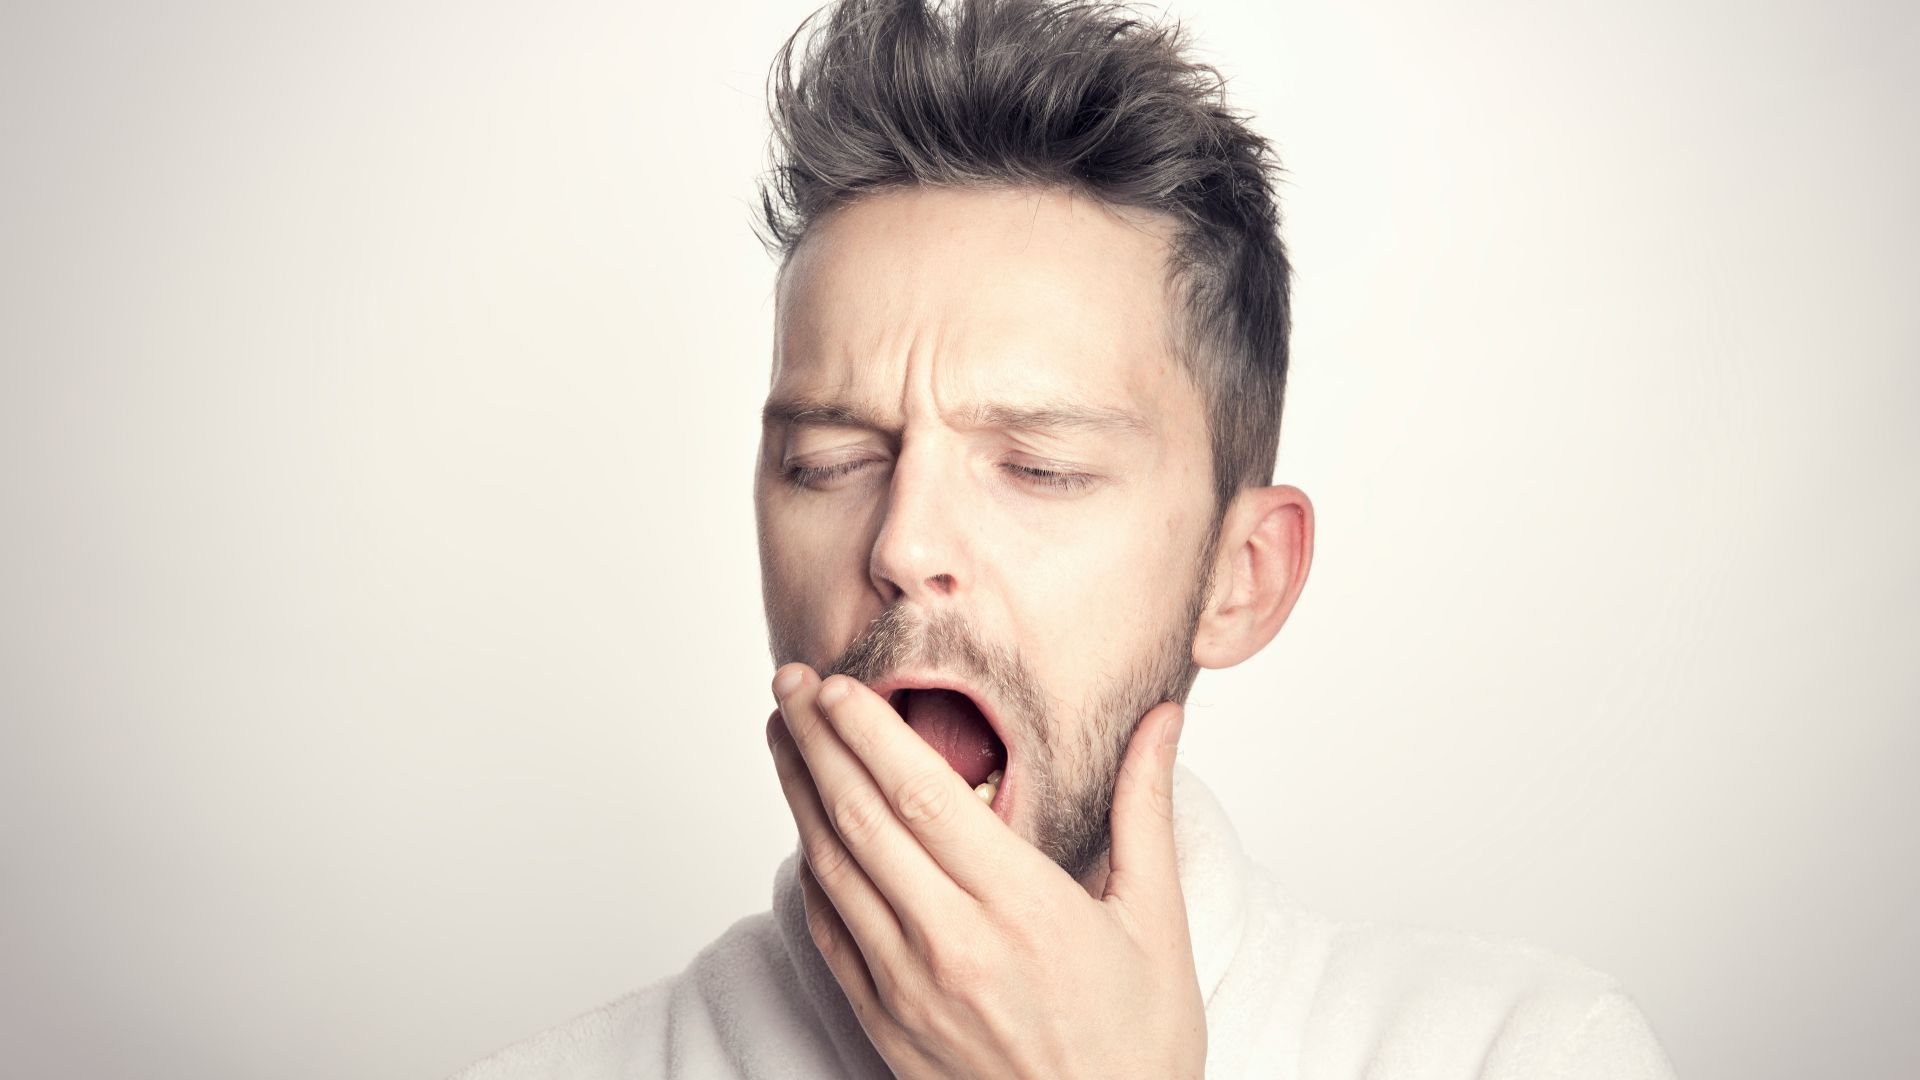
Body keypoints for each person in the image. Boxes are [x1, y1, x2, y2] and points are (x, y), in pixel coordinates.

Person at [457, 0, 1675, 1075]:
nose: (902, 542)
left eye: (1038, 466)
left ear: (1238, 580)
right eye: (830, 462)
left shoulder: (1526, 1054)